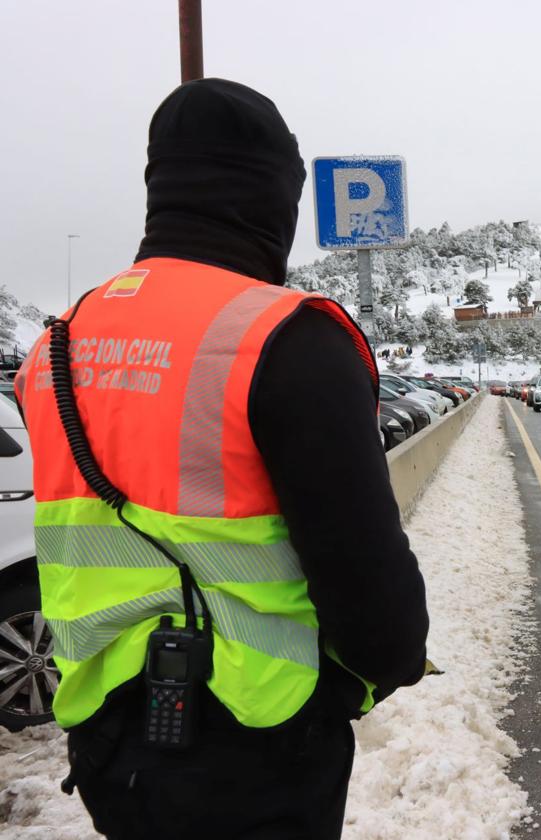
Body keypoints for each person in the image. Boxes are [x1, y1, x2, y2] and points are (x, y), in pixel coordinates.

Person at [14, 79, 428, 839]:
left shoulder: (55, 346)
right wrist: (380, 669)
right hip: (260, 743)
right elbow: (365, 577)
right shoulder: (286, 338)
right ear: (273, 196)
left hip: (107, 738)